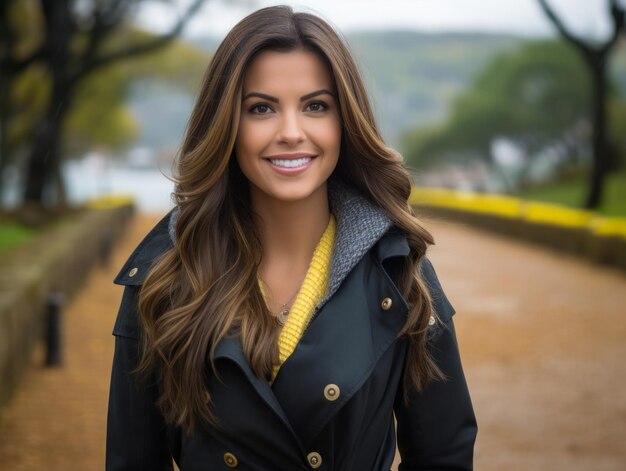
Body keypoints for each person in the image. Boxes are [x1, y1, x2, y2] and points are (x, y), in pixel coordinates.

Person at [105, 5, 477, 470]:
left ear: (345, 121)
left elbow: (444, 457)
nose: (291, 133)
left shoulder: (401, 278)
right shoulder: (163, 279)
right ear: (227, 126)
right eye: (261, 108)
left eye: (315, 106)